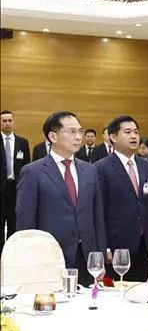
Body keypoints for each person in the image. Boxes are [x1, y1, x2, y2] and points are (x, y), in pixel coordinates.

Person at [16, 111, 106, 286]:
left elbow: (97, 217)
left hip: (85, 256)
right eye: (71, 132)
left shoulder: (90, 171)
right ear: (52, 136)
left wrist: (99, 257)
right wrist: (28, 261)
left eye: (80, 131)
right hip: (49, 257)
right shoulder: (33, 172)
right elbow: (25, 222)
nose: (78, 137)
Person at [95, 116, 148, 282]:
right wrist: (103, 246)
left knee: (139, 291)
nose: (134, 136)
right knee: (115, 294)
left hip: (143, 243)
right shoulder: (101, 168)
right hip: (116, 245)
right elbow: (99, 211)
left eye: (136, 132)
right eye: (127, 132)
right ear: (113, 137)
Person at [1, 110, 31, 251]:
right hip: (1, 187)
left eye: (9, 120)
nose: (7, 123)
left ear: (13, 121)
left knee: (14, 222)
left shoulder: (22, 142)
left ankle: (11, 252)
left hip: (16, 187)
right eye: (4, 121)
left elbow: (27, 165)